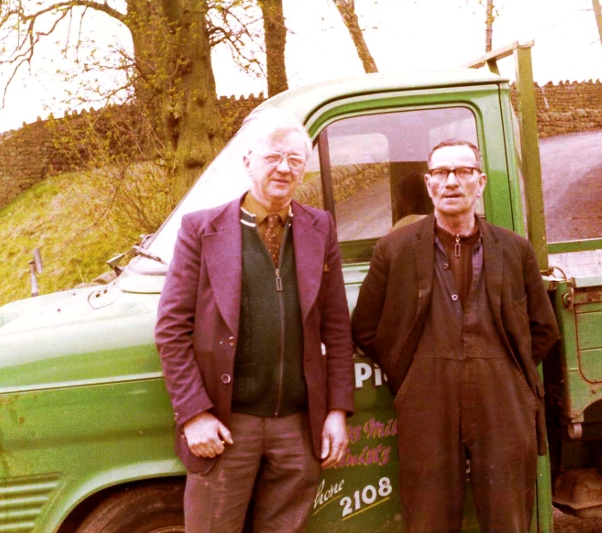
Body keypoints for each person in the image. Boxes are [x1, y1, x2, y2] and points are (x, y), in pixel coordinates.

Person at [155, 108, 354, 533]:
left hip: (298, 428)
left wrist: (337, 410)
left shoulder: (320, 228)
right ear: (248, 161)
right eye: (273, 157)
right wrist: (193, 414)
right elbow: (171, 329)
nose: (284, 168)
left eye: (295, 160)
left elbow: (337, 328)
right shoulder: (201, 229)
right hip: (226, 425)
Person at [351, 139, 560, 532]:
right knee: (428, 517)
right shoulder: (393, 249)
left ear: (480, 183)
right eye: (441, 172)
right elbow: (365, 326)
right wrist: (409, 374)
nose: (452, 182)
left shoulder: (515, 250)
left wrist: (507, 372)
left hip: (503, 401)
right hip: (426, 401)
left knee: (508, 518)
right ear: (428, 184)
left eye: (463, 171)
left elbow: (543, 328)